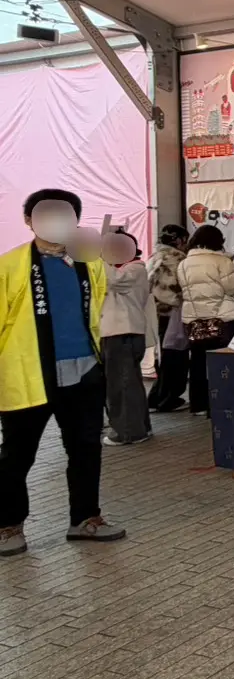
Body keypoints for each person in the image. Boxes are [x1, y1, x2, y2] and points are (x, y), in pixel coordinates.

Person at [0, 189, 127, 556]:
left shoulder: (90, 263)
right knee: (17, 454)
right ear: (29, 220)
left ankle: (85, 518)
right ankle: (8, 525)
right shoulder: (9, 266)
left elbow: (96, 311)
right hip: (27, 375)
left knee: (86, 449)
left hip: (84, 372)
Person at [177, 225, 234, 416]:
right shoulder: (221, 261)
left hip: (194, 320)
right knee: (224, 362)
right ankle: (223, 403)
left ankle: (199, 404)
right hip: (222, 319)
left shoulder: (184, 263)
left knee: (198, 362)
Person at [100, 230, 152, 445]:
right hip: (120, 332)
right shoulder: (124, 269)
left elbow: (115, 281)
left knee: (121, 384)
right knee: (129, 382)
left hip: (122, 333)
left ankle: (128, 432)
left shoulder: (134, 269)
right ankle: (139, 427)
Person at [147, 225, 189, 412]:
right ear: (179, 240)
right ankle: (167, 398)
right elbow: (181, 287)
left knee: (163, 356)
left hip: (154, 312)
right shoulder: (178, 259)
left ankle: (156, 397)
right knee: (175, 356)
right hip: (173, 313)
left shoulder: (154, 257)